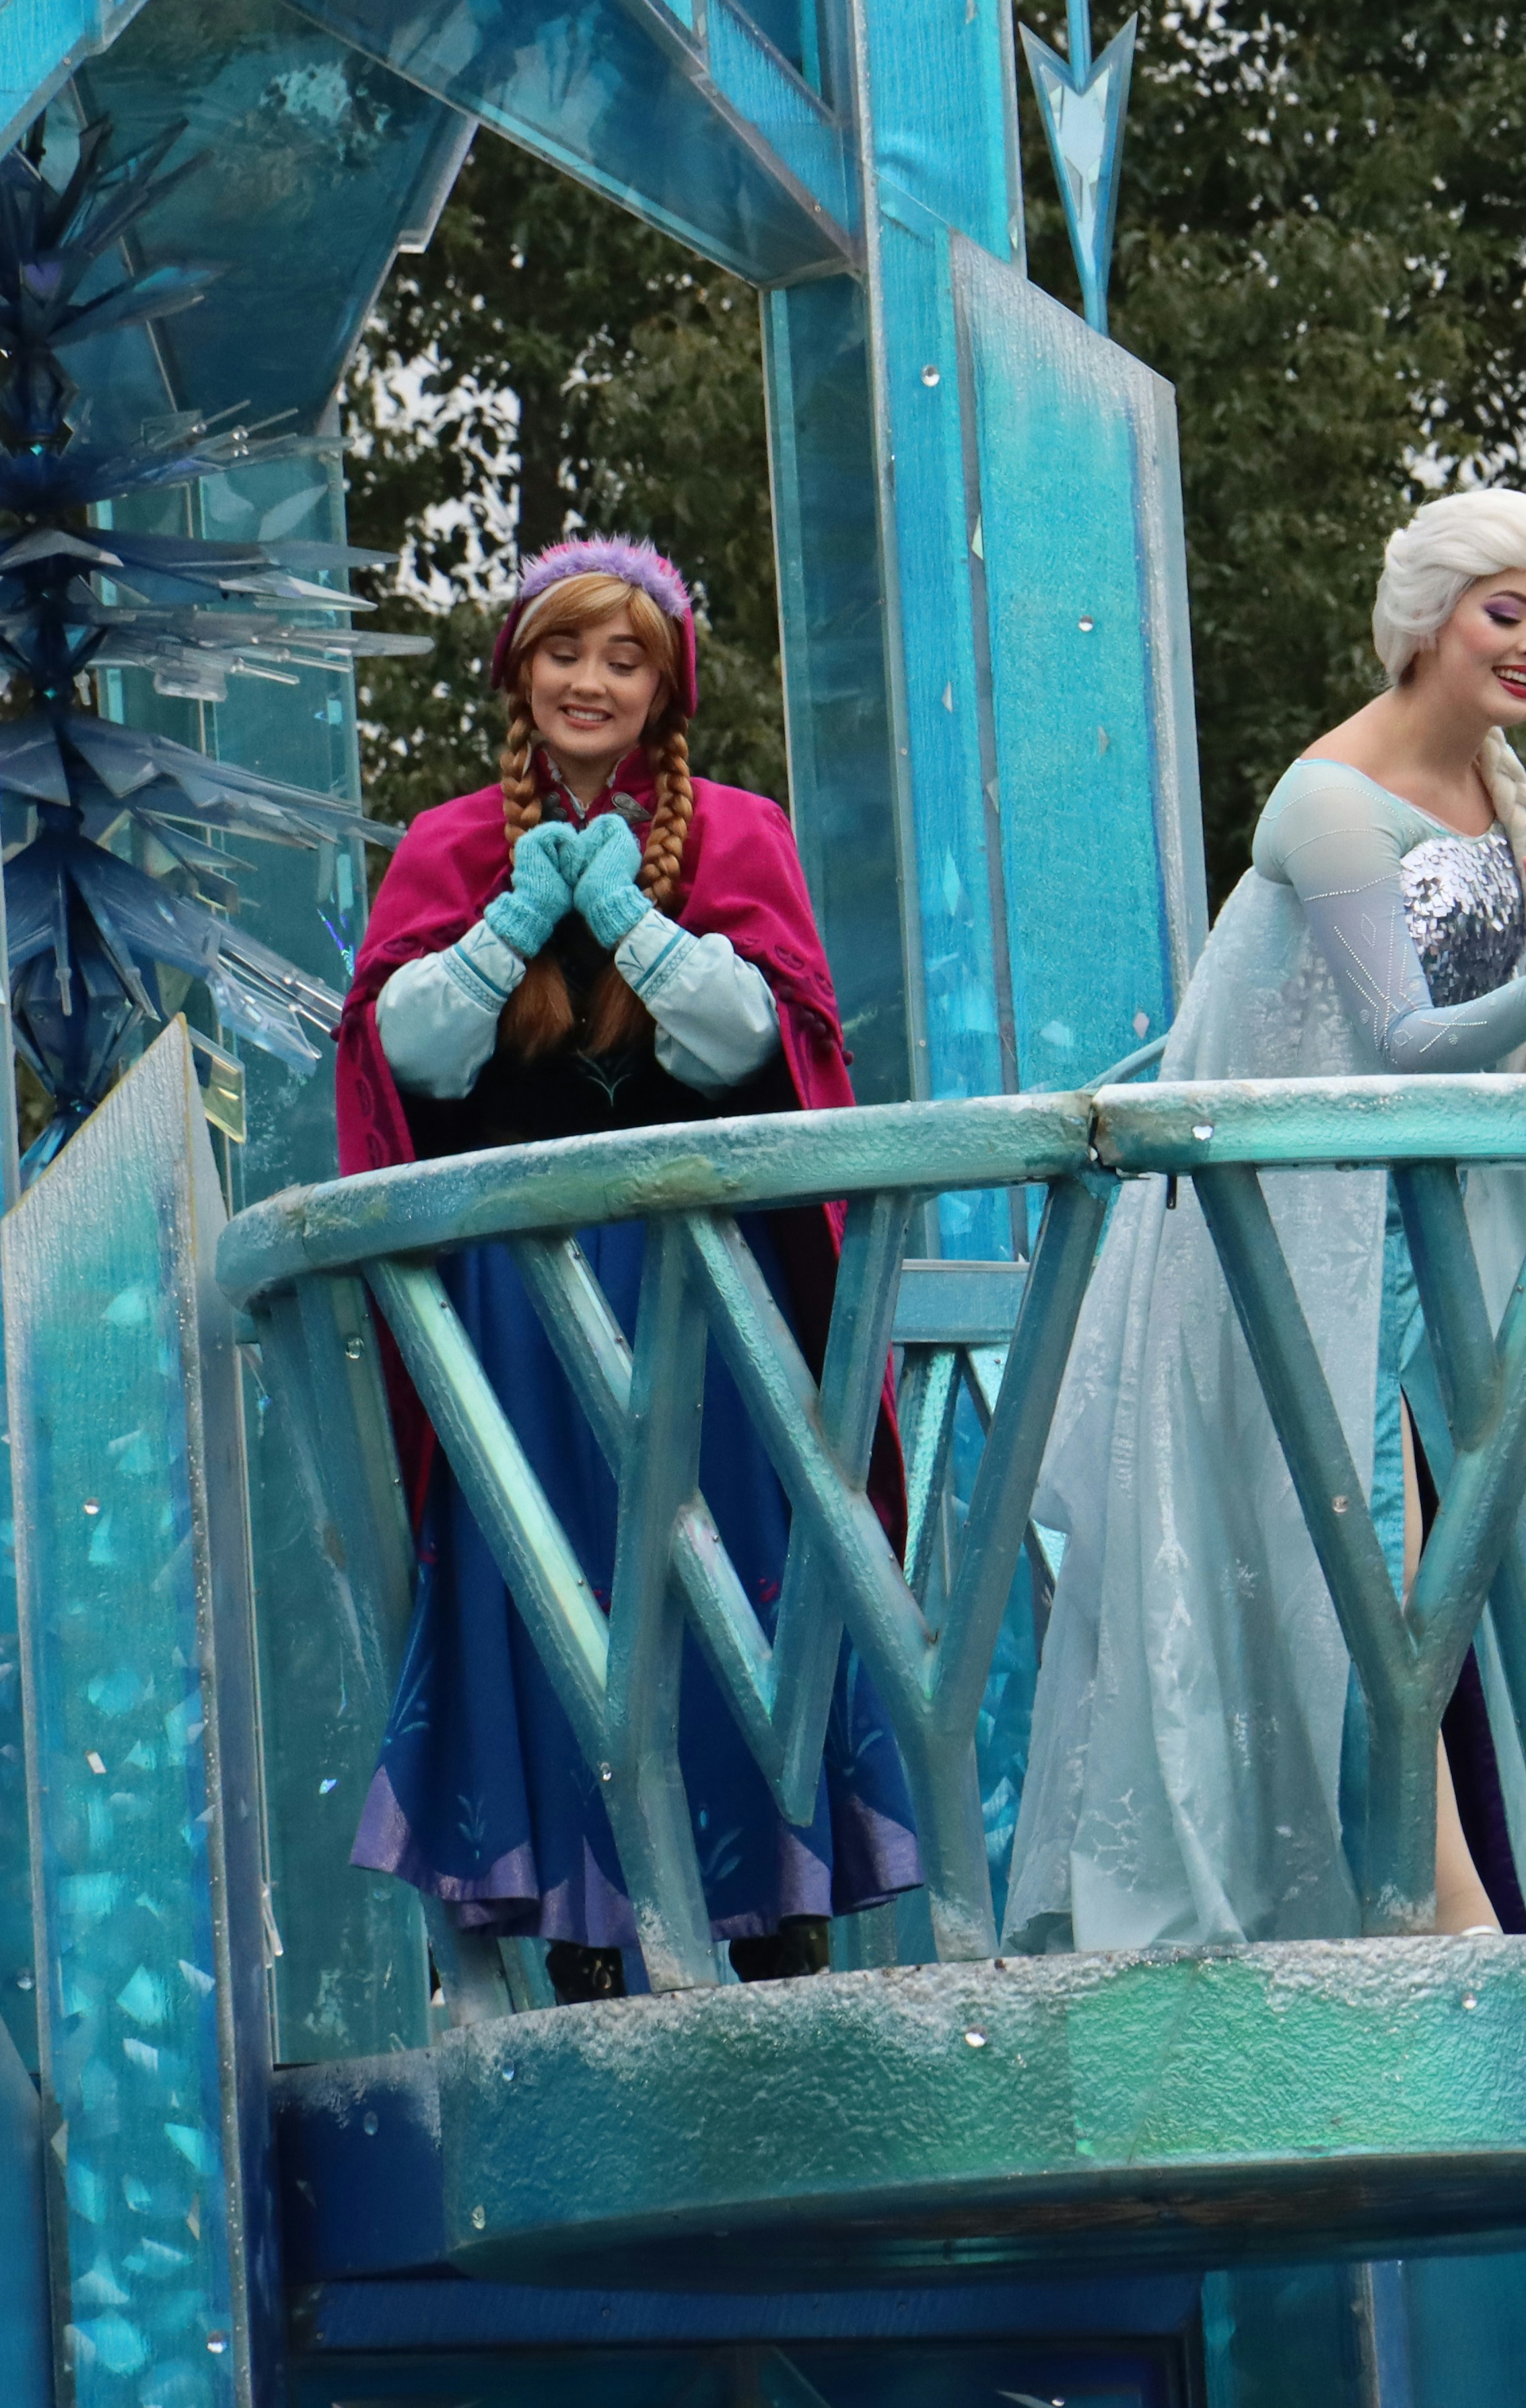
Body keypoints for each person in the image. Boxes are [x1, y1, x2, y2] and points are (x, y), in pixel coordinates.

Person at [1004, 489, 1526, 1952]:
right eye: (1507, 611)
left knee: (1452, 1574)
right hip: (1301, 1256)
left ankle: (1478, 1899)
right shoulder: (1332, 800)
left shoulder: (1497, 790)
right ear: (1431, 617)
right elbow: (1409, 1039)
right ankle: (1442, 1913)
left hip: (1427, 1247)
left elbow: (1499, 1070)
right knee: (1377, 1571)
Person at [334, 536, 922, 1997]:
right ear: (517, 672)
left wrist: (637, 927)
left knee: (737, 1580)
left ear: (666, 687)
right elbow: (406, 1055)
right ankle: (588, 1957)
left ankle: (778, 1932)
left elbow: (764, 1048)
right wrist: (517, 917)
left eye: (624, 657)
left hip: (709, 1293)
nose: (590, 682)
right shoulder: (447, 848)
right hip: (524, 1312)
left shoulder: (742, 834)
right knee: (553, 1592)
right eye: (563, 652)